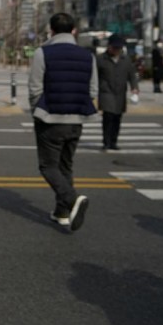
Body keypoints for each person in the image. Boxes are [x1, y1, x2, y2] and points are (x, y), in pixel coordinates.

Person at [28, 13, 96, 232]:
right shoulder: (87, 56)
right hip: (77, 119)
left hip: (50, 118)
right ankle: (62, 213)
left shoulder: (43, 53)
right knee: (65, 165)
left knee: (48, 166)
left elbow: (35, 88)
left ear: (52, 30)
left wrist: (37, 110)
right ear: (74, 30)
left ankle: (71, 199)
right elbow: (93, 90)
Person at [97, 34, 139, 152]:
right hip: (106, 92)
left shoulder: (126, 60)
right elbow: (94, 76)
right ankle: (106, 141)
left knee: (117, 117)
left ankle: (113, 141)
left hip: (120, 92)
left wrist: (134, 87)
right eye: (114, 48)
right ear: (109, 47)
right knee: (108, 117)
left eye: (119, 48)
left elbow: (132, 75)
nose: (116, 50)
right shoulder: (100, 59)